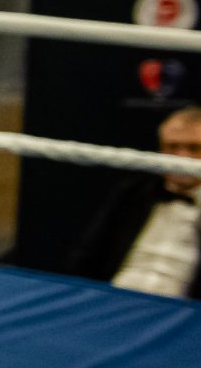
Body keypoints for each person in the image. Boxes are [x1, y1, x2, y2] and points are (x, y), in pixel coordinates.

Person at [60, 106, 201, 297]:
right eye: (172, 147)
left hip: (181, 308)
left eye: (194, 148)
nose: (181, 158)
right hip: (117, 296)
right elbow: (87, 256)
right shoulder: (134, 192)